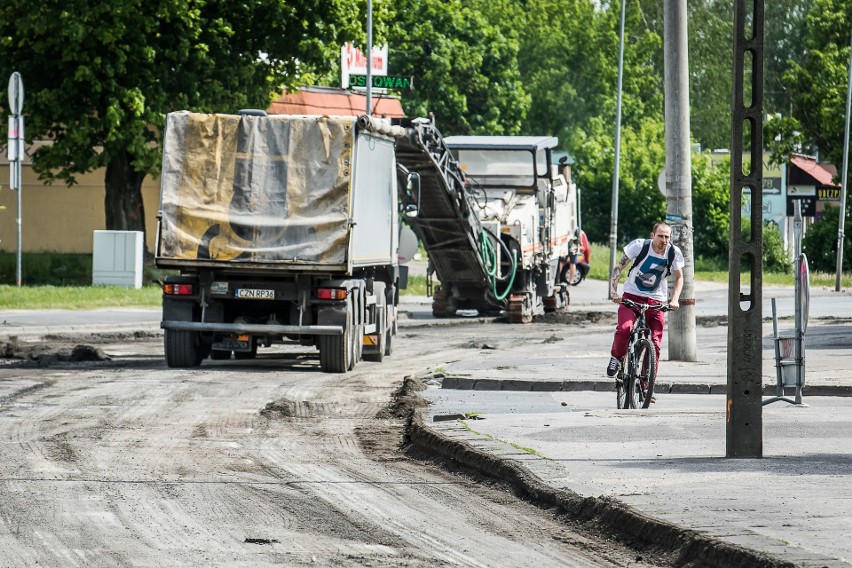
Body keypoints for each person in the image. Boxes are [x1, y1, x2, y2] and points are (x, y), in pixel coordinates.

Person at [606, 222, 684, 381]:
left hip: (656, 300)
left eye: (667, 237)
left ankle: (646, 383)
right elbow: (618, 268)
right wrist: (614, 292)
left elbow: (679, 277)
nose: (664, 240)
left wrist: (674, 299)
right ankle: (617, 358)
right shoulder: (640, 246)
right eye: (660, 236)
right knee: (625, 328)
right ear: (652, 235)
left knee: (655, 342)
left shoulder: (673, 253)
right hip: (632, 296)